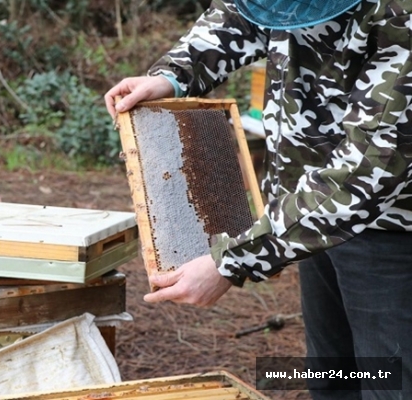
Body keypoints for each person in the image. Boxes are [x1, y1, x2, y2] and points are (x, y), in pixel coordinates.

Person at [104, 0, 412, 399]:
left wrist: (235, 260)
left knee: (388, 383)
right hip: (302, 216)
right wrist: (174, 75)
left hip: (389, 231)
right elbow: (241, 13)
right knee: (334, 377)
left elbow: (366, 170)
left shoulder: (401, 18)